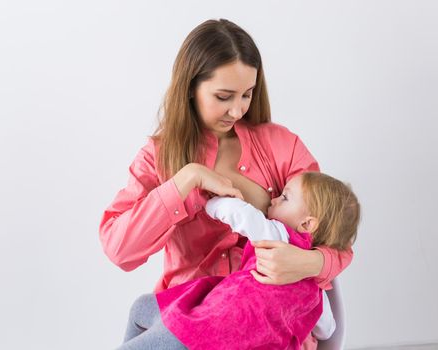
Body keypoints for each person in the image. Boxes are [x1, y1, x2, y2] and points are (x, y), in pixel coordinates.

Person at [99, 18, 353, 349]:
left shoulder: (281, 146)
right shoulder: (157, 158)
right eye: (223, 96)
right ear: (190, 87)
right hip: (191, 311)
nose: (237, 109)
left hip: (262, 319)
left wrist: (309, 264)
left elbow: (335, 233)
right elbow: (120, 250)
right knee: (142, 312)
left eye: (247, 94)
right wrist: (186, 181)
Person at [118, 171, 360, 349]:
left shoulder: (278, 235)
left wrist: (212, 202)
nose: (274, 199)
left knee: (142, 318)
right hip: (225, 336)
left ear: (307, 224)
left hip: (203, 334)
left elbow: (240, 215)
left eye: (285, 198)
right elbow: (328, 329)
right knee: (143, 308)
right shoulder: (316, 295)